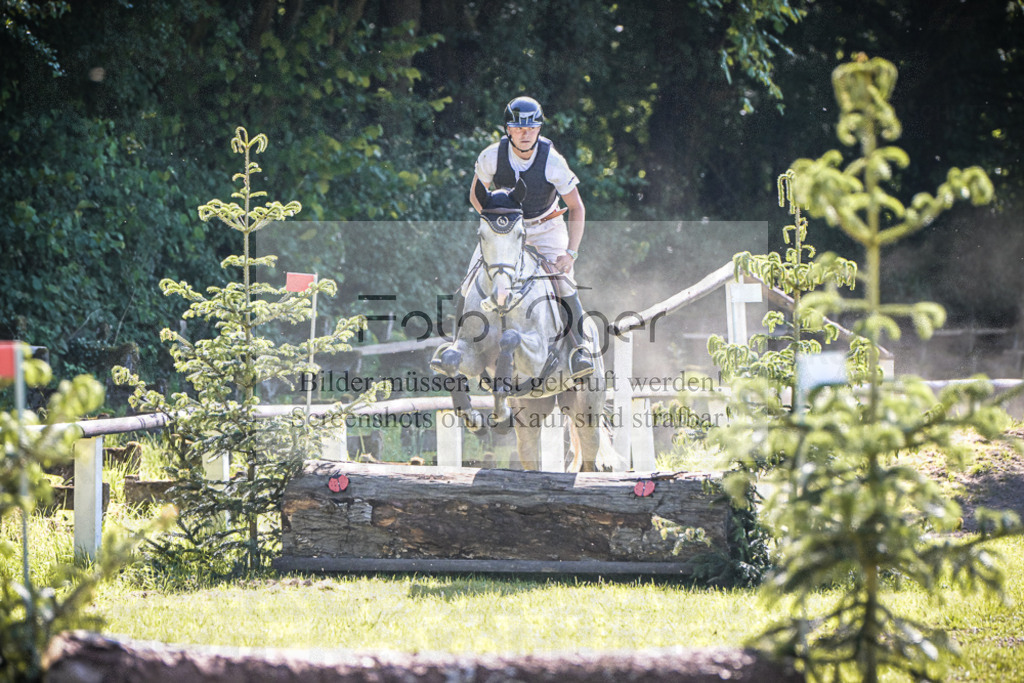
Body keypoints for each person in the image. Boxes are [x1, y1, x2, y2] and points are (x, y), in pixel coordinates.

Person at [462, 95, 594, 381]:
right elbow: (476, 194)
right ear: (508, 129)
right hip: (506, 230)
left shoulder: (553, 162)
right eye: (519, 128)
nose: (525, 134)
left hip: (545, 227)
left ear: (539, 129)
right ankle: (457, 343)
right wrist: (495, 223)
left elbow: (576, 207)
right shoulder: (491, 156)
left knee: (563, 282)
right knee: (470, 280)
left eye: (531, 128)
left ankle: (579, 349)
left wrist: (570, 254)